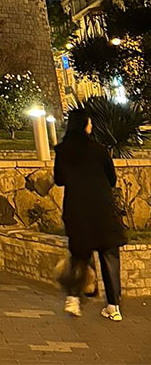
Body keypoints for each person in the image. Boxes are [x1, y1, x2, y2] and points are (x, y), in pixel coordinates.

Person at [53, 107, 126, 321]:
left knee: (79, 256)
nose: (91, 126)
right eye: (90, 123)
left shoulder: (63, 151)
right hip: (102, 208)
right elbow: (111, 179)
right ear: (85, 125)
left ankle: (73, 300)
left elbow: (59, 180)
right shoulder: (100, 150)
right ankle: (113, 306)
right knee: (110, 256)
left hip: (77, 209)